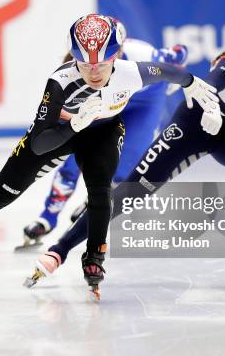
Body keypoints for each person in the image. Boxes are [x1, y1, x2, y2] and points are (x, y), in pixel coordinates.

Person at [26, 9, 225, 287]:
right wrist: (210, 107)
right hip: (194, 126)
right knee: (131, 191)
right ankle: (61, 248)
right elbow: (208, 85)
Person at [0, 13, 220, 298]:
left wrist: (190, 82)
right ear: (74, 58)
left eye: (101, 63)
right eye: (85, 64)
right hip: (55, 135)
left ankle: (94, 255)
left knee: (101, 192)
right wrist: (76, 124)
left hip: (102, 132)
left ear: (116, 56)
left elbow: (168, 71)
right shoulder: (59, 83)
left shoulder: (132, 73)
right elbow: (39, 145)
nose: (94, 72)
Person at [18, 25, 189, 249]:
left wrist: (174, 76)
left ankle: (96, 201)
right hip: (104, 101)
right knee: (74, 157)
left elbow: (181, 52)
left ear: (122, 50)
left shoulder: (144, 56)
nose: (97, 63)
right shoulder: (74, 71)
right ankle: (48, 217)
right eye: (89, 60)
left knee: (126, 165)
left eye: (108, 55)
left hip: (144, 101)